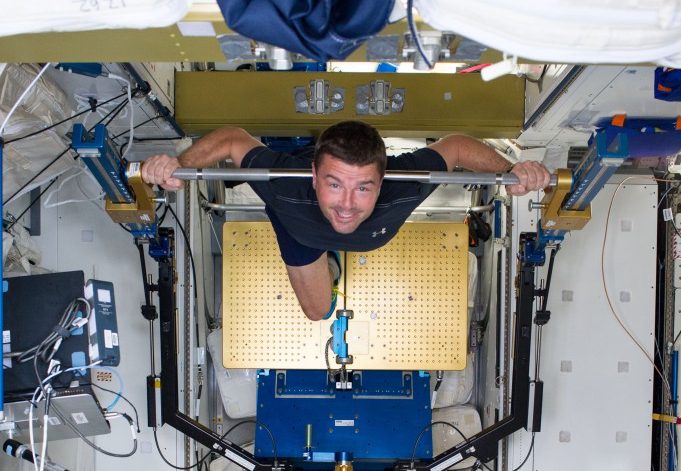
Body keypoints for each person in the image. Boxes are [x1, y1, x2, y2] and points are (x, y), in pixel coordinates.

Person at [141, 121, 550, 321]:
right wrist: (179, 165)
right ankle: (329, 260)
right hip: (297, 225)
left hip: (337, 224)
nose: (348, 205)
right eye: (335, 185)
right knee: (317, 312)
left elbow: (457, 147)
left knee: (323, 303)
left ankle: (332, 261)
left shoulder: (403, 187)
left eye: (364, 188)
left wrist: (513, 170)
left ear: (382, 182)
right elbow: (232, 139)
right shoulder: (286, 186)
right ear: (315, 177)